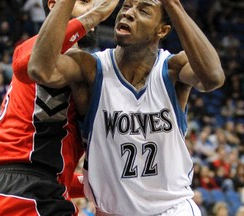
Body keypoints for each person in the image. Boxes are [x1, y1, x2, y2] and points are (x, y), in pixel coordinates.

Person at [28, 0, 225, 215]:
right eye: (126, 6)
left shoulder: (172, 69)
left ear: (162, 30)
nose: (129, 13)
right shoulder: (91, 68)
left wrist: (173, 5)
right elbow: (40, 69)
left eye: (143, 10)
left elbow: (212, 77)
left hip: (172, 209)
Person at [0, 0, 119, 215]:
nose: (92, 8)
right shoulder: (40, 53)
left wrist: (102, 182)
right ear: (55, 4)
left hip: (5, 191)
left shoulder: (77, 71)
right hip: (24, 192)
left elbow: (57, 176)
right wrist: (96, 15)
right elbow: (26, 63)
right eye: (84, 2)